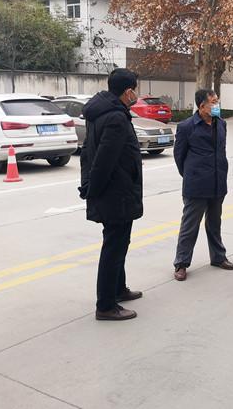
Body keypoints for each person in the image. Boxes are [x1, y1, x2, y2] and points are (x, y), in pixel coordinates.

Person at [79, 68, 143, 321]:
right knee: (114, 247)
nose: (136, 94)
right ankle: (106, 305)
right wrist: (92, 189)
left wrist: (88, 184)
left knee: (119, 243)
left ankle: (118, 288)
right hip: (116, 193)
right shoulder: (116, 118)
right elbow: (104, 160)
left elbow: (87, 152)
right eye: (135, 90)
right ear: (127, 92)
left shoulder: (100, 112)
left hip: (113, 190)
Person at [173, 90, 233, 281]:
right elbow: (179, 156)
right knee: (190, 226)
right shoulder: (186, 127)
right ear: (201, 106)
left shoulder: (221, 124)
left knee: (215, 223)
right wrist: (191, 174)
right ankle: (181, 263)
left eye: (217, 101)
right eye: (213, 102)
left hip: (218, 181)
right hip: (197, 184)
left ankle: (218, 257)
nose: (217, 105)